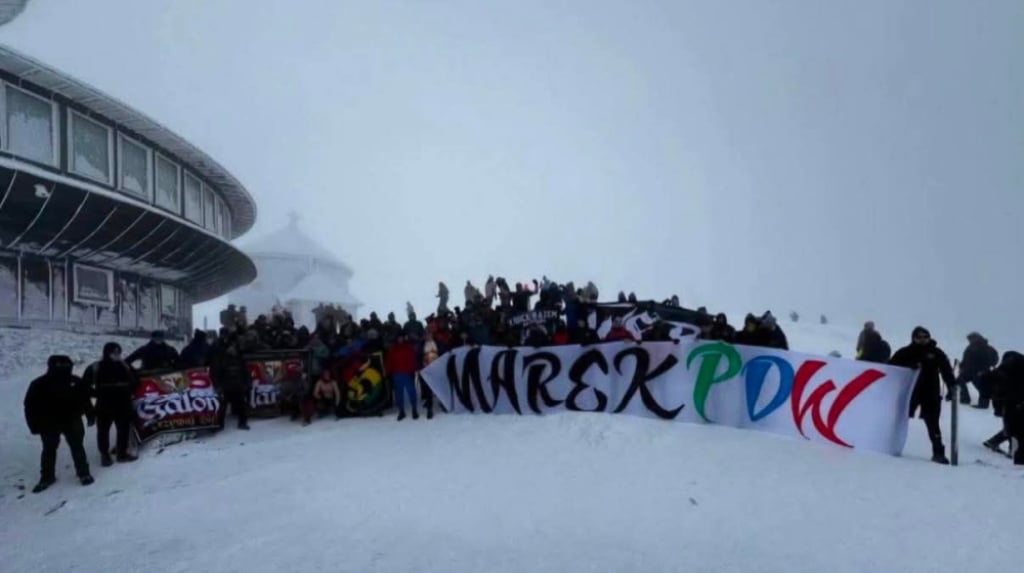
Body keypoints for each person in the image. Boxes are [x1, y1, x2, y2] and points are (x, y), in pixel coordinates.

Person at [23, 355, 95, 492]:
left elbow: (85, 399)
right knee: (49, 450)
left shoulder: (75, 381)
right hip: (49, 423)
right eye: (61, 365)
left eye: (67, 365)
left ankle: (83, 473)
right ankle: (47, 477)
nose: (65, 368)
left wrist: (90, 415)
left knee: (77, 447)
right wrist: (33, 425)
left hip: (72, 419)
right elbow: (30, 406)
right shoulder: (39, 384)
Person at [890, 327, 956, 464]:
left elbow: (946, 371)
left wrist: (952, 387)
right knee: (898, 419)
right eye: (919, 337)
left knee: (933, 423)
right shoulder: (905, 352)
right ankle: (890, 445)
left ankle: (938, 453)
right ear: (913, 338)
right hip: (909, 392)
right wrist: (910, 366)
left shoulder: (936, 353)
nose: (922, 339)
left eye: (925, 336)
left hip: (930, 392)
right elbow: (891, 368)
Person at [83, 343, 137, 466]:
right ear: (107, 352)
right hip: (104, 405)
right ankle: (105, 455)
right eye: (114, 352)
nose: (117, 354)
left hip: (123, 404)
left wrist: (129, 390)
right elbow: (84, 386)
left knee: (123, 430)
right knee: (103, 431)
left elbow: (135, 380)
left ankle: (121, 453)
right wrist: (97, 394)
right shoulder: (96, 367)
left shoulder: (124, 365)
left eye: (119, 351)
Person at [981, 351, 1023, 460]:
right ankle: (1013, 450)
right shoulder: (1010, 371)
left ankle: (997, 443)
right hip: (1012, 400)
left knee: (1012, 425)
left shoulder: (1003, 370)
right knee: (1014, 426)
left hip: (1009, 400)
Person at [211, 334, 251, 430]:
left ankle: (242, 423)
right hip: (226, 386)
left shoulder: (239, 358)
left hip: (238, 385)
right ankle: (219, 424)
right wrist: (218, 386)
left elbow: (245, 371)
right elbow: (216, 373)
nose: (232, 349)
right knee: (222, 407)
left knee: (241, 405)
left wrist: (246, 384)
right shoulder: (221, 358)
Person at [958, 332, 999, 408]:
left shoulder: (986, 348)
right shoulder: (970, 348)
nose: (970, 340)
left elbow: (992, 360)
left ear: (977, 338)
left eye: (971, 338)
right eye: (969, 339)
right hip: (970, 371)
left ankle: (984, 404)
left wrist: (983, 370)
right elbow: (966, 360)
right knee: (960, 380)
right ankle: (965, 399)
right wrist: (962, 367)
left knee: (982, 386)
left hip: (982, 372)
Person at [386, 333, 419, 420]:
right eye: (399, 338)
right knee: (398, 394)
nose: (400, 339)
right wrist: (388, 371)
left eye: (401, 337)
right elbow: (390, 361)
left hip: (408, 373)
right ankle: (401, 411)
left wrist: (415, 369)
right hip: (397, 374)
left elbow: (413, 359)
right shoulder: (393, 349)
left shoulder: (409, 348)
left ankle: (414, 410)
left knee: (411, 392)